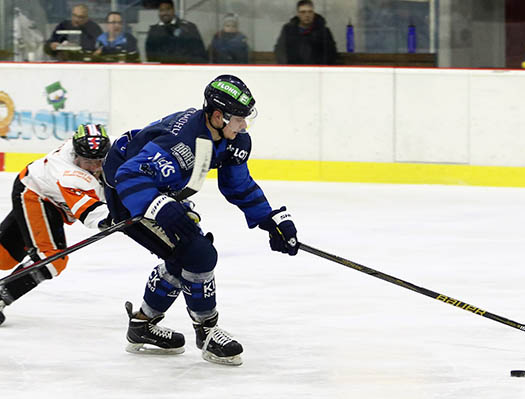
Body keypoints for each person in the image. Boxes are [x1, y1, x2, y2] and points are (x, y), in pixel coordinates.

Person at [102, 75, 299, 365]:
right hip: (128, 192)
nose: (244, 126)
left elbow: (238, 186)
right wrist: (158, 205)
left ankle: (142, 326)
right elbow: (130, 176)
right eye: (239, 119)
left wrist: (270, 218)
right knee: (198, 255)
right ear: (218, 116)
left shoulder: (232, 138)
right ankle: (206, 331)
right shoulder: (180, 144)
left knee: (184, 255)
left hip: (160, 187)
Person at [0, 124, 111, 325]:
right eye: (88, 161)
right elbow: (93, 214)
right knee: (52, 259)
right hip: (36, 194)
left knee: (3, 258)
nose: (95, 167)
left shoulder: (104, 150)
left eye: (99, 161)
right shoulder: (68, 174)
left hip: (48, 195)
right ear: (76, 156)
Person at [274, 0, 338, 65]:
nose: (307, 15)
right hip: (294, 70)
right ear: (298, 14)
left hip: (317, 71)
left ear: (313, 13)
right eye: (303, 12)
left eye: (310, 12)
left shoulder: (323, 31)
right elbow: (280, 51)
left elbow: (331, 54)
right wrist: (288, 68)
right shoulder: (288, 30)